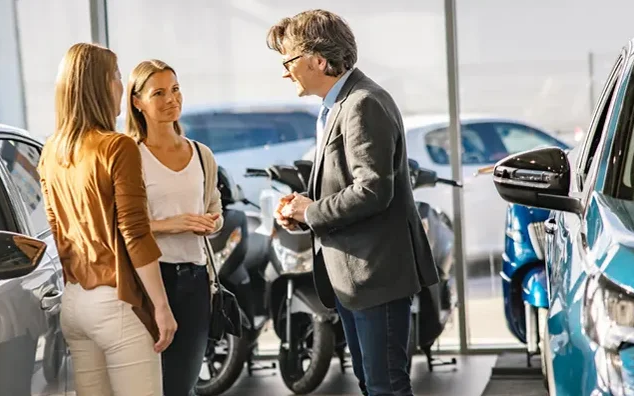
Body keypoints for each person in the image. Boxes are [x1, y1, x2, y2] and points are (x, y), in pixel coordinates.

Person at [267, 10, 442, 396]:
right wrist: (304, 210)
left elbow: (372, 190)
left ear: (317, 59)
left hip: (374, 273)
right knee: (373, 384)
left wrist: (310, 212)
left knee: (386, 387)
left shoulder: (362, 103)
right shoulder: (339, 103)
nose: (284, 72)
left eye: (288, 61)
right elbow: (348, 185)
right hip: (353, 275)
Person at [38, 42, 177, 396]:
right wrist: (161, 307)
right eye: (116, 75)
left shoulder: (52, 150)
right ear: (100, 84)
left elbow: (58, 231)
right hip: (117, 304)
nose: (121, 84)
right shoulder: (116, 147)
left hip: (75, 303)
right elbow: (135, 233)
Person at [123, 59, 224, 396]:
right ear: (137, 102)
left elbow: (215, 208)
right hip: (150, 281)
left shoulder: (201, 153)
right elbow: (122, 226)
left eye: (176, 89)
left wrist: (211, 223)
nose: (172, 99)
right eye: (159, 93)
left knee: (184, 383)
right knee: (156, 385)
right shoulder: (132, 157)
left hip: (195, 278)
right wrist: (170, 225)